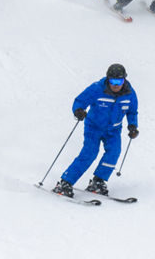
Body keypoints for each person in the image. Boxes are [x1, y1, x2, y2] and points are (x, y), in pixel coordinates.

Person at [53, 63, 139, 197]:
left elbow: (132, 112)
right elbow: (80, 100)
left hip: (114, 130)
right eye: (113, 81)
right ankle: (65, 183)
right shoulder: (97, 88)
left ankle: (98, 181)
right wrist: (78, 110)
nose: (116, 85)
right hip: (94, 128)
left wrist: (133, 126)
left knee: (114, 152)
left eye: (119, 81)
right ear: (108, 79)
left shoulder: (130, 94)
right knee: (90, 153)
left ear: (124, 80)